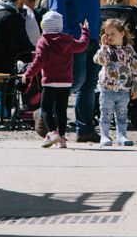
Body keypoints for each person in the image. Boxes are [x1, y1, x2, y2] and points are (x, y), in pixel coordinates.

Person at [46, 0, 102, 143]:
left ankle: (84, 128)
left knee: (88, 83)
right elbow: (57, 5)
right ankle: (46, 115)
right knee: (74, 80)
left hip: (92, 35)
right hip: (73, 37)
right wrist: (62, 36)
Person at [23, 11, 90, 149]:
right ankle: (62, 138)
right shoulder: (67, 40)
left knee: (46, 108)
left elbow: (39, 61)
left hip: (49, 82)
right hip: (66, 82)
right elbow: (82, 45)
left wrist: (28, 74)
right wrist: (85, 31)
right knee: (61, 110)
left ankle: (52, 133)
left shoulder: (44, 40)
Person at [93, 18, 137, 147]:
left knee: (122, 114)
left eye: (112, 34)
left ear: (122, 33)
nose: (109, 37)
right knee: (105, 113)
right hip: (107, 88)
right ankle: (104, 136)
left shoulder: (129, 50)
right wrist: (103, 46)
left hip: (124, 89)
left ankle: (122, 135)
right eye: (107, 34)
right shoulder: (106, 49)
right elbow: (99, 60)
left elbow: (136, 68)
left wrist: (136, 86)